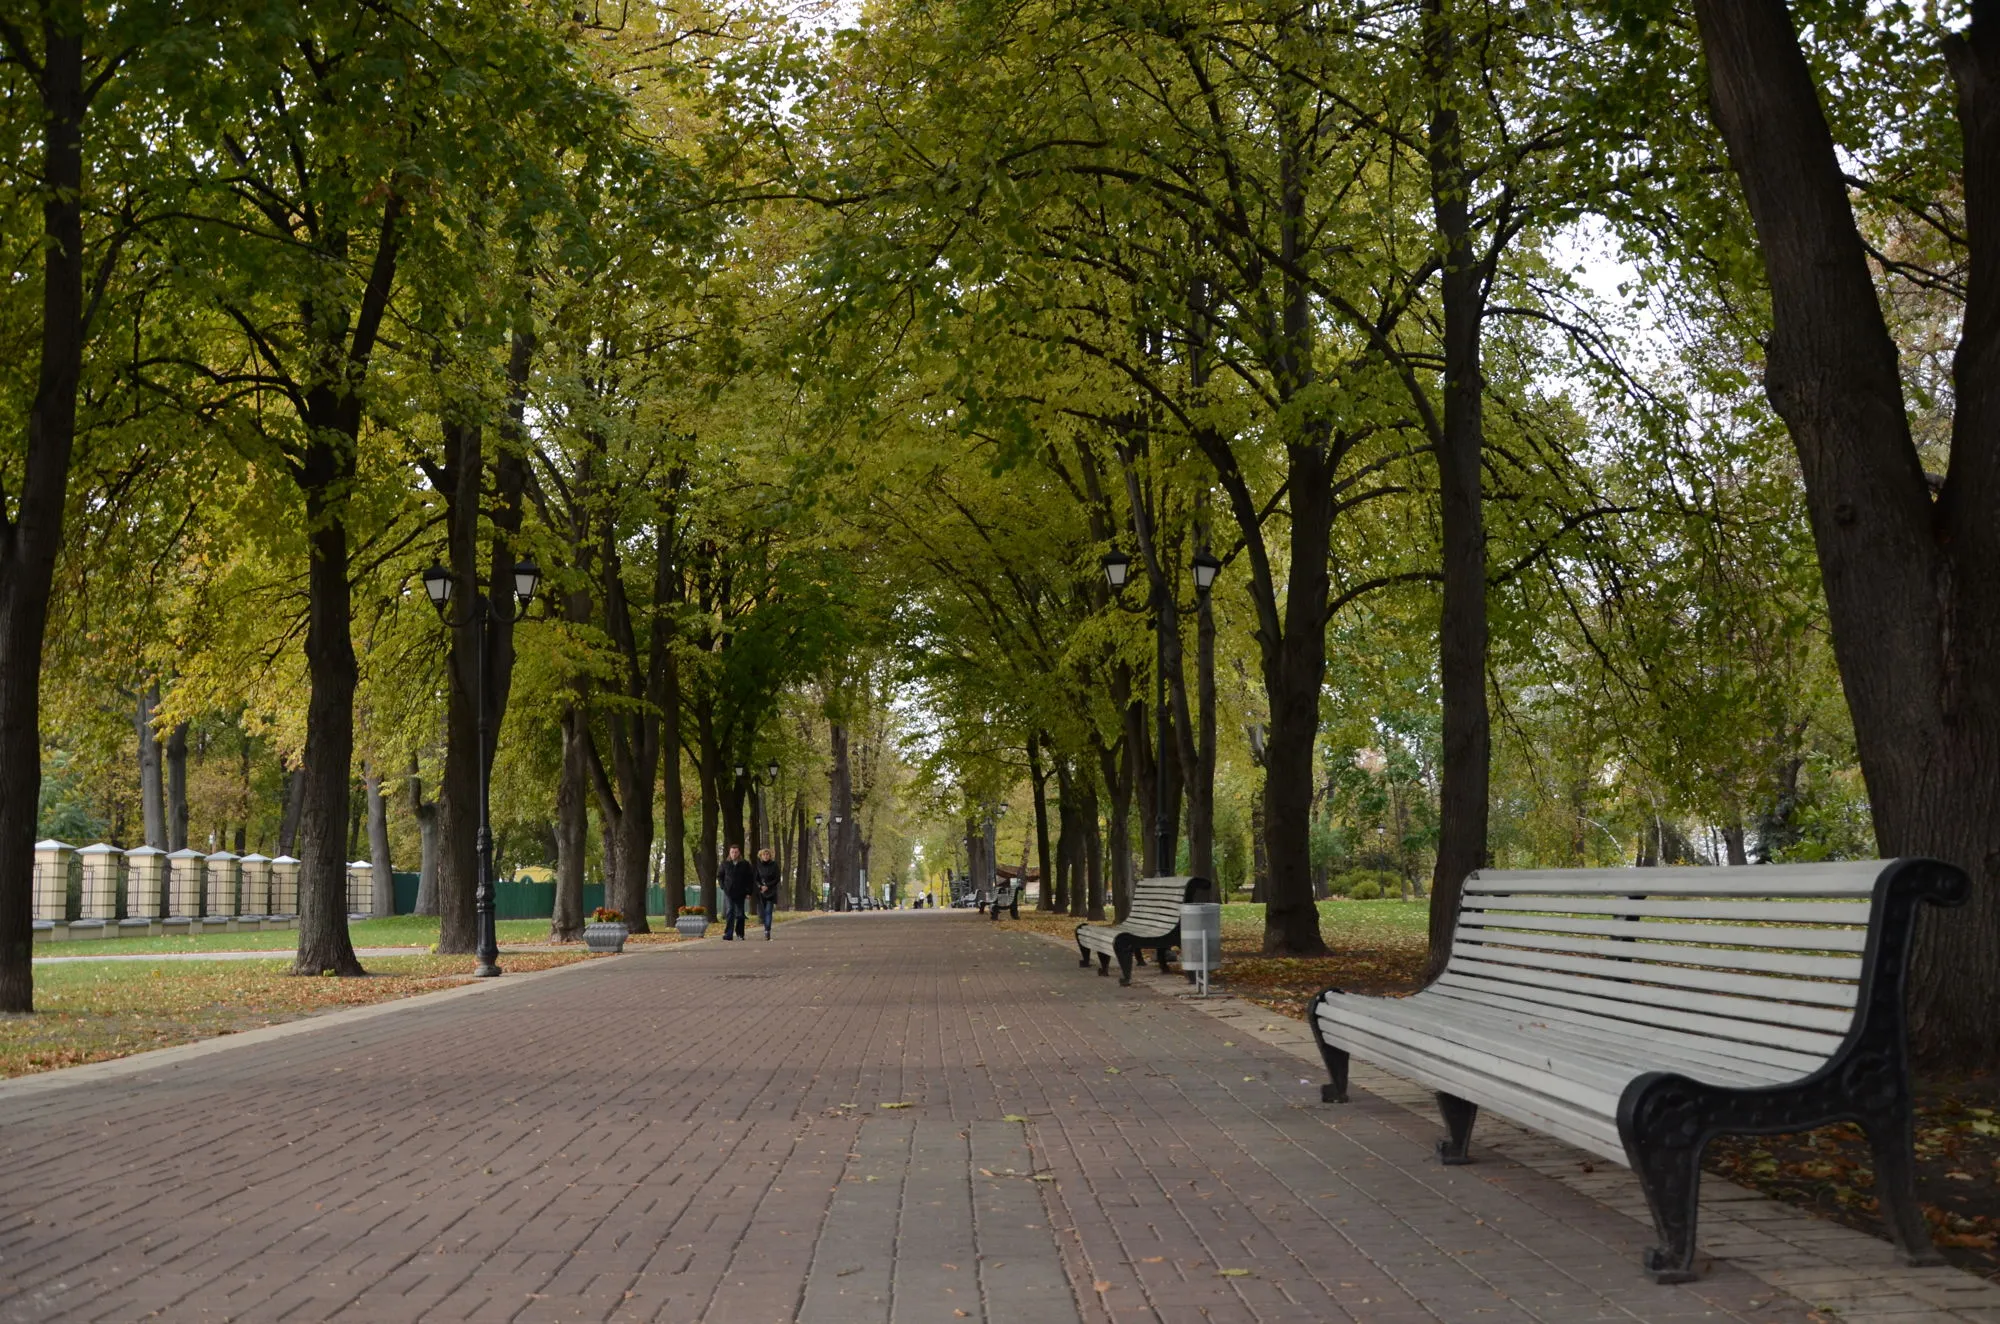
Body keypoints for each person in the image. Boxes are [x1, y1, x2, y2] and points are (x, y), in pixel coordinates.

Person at [719, 845, 754, 940]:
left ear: (739, 853)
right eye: (732, 852)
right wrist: (723, 886)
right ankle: (728, 934)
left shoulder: (745, 864)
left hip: (741, 892)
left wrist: (749, 892)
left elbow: (750, 879)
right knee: (730, 911)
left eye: (736, 852)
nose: (734, 854)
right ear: (729, 853)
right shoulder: (725, 864)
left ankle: (740, 934)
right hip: (728, 892)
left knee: (740, 914)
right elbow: (720, 876)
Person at [753, 847, 781, 940]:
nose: (765, 856)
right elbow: (755, 879)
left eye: (767, 854)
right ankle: (765, 927)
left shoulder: (774, 865)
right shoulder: (758, 866)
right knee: (763, 913)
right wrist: (760, 886)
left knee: (769, 911)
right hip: (761, 892)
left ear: (770, 856)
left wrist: (768, 886)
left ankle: (767, 931)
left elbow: (777, 878)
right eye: (764, 855)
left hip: (771, 891)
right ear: (760, 856)